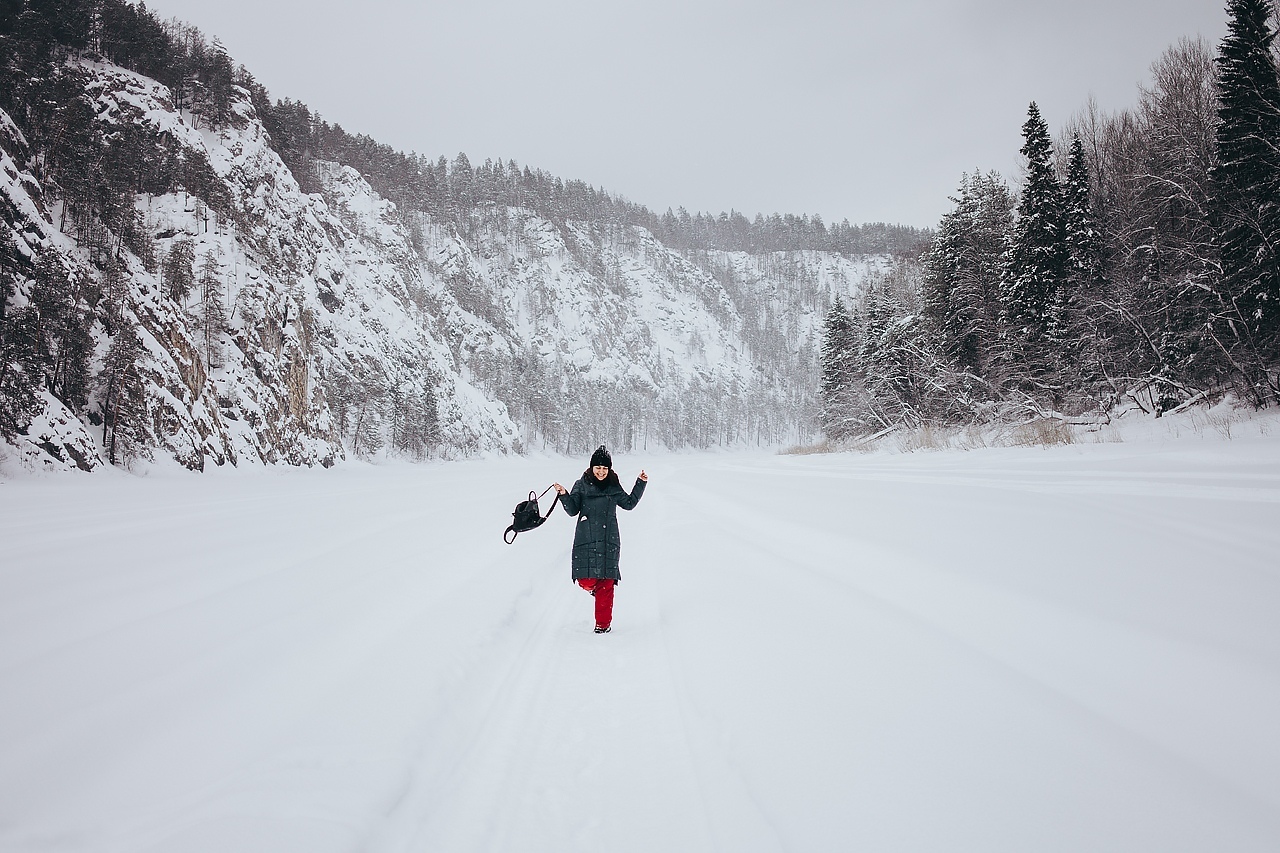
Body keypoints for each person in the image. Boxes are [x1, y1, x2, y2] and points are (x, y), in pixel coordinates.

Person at [553, 446, 648, 634]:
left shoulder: (613, 486)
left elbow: (629, 504)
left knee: (606, 582)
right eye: (598, 467)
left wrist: (640, 483)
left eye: (605, 468)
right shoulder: (581, 484)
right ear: (591, 467)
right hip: (585, 537)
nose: (601, 471)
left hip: (608, 538)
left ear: (609, 469)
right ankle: (595, 592)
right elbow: (572, 510)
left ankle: (603, 626)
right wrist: (564, 494)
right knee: (585, 579)